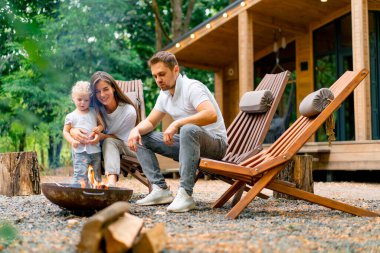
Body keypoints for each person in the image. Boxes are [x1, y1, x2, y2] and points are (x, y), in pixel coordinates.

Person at [128, 51, 228, 212]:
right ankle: (160, 189)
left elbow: (211, 114)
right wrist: (135, 130)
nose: (158, 80)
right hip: (190, 144)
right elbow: (151, 122)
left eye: (162, 74)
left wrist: (177, 123)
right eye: (155, 76)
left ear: (176, 70)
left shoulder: (192, 87)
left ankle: (185, 195)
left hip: (215, 145)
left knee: (187, 129)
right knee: (142, 137)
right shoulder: (164, 94)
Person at [70, 71, 138, 186]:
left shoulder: (128, 112)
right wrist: (73, 131)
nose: (102, 94)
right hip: (97, 147)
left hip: (126, 146)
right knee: (79, 141)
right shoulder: (93, 109)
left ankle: (111, 183)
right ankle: (81, 182)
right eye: (97, 91)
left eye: (105, 89)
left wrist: (101, 137)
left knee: (109, 141)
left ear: (113, 88)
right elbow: (75, 121)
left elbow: (121, 138)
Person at [63, 81, 104, 186]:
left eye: (86, 100)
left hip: (95, 150)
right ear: (73, 98)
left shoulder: (94, 112)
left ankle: (96, 192)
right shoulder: (71, 116)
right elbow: (66, 131)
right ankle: (78, 192)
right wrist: (72, 141)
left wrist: (98, 129)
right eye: (79, 100)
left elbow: (102, 125)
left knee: (96, 174)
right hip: (80, 151)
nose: (82, 103)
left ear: (90, 100)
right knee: (80, 173)